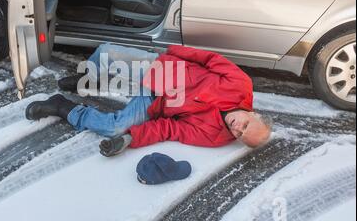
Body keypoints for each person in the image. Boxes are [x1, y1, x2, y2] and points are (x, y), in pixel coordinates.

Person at [26, 44, 273, 157]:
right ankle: (89, 77)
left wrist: (131, 138)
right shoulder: (241, 84)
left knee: (114, 128)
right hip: (163, 70)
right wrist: (170, 52)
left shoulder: (215, 137)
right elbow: (208, 57)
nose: (236, 128)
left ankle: (62, 106)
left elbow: (171, 129)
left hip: (155, 101)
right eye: (245, 125)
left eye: (240, 135)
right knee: (108, 53)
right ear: (253, 114)